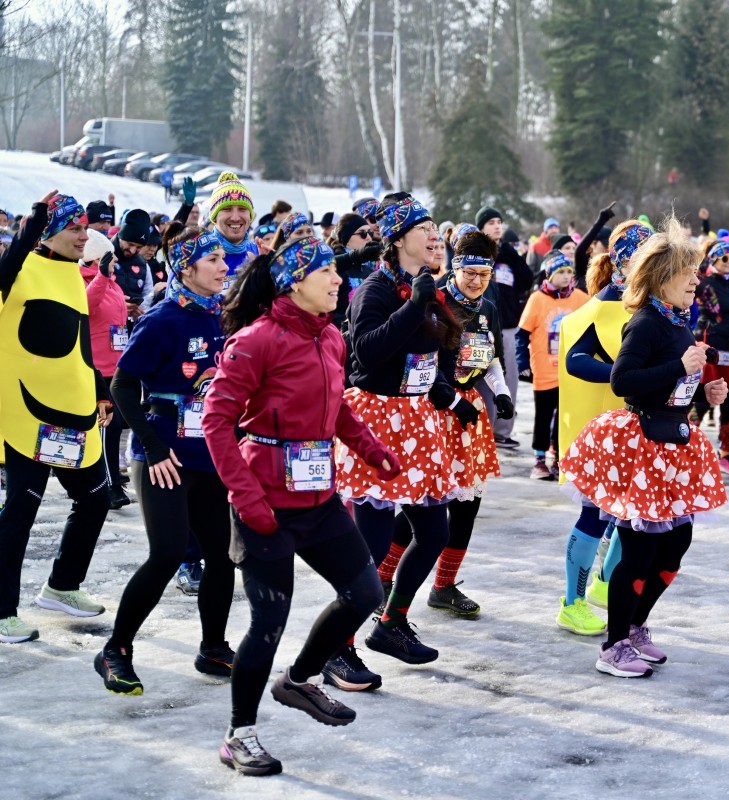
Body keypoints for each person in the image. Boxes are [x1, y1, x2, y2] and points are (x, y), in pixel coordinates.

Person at [202, 235, 399, 775]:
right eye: (326, 272)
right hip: (264, 501)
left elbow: (336, 410)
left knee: (365, 592)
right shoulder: (256, 340)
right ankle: (239, 735)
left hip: (318, 498)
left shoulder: (331, 337)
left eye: (336, 271)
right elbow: (217, 423)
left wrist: (371, 450)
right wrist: (246, 497)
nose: (338, 280)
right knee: (269, 619)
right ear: (295, 280)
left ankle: (299, 680)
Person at [559, 220, 727, 677]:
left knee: (676, 542)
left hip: (672, 440)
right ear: (661, 278)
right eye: (687, 272)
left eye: (696, 271)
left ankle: (635, 625)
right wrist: (679, 364)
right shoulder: (647, 322)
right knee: (638, 550)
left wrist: (702, 394)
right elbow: (623, 380)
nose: (696, 280)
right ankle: (613, 646)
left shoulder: (678, 321)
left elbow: (671, 387)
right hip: (642, 446)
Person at [95, 226, 236, 695]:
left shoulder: (223, 316)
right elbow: (121, 386)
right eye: (212, 260)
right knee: (168, 553)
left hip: (210, 455)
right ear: (187, 268)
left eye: (223, 259)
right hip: (164, 455)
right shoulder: (162, 319)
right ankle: (116, 649)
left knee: (221, 556)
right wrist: (154, 446)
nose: (222, 267)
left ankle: (213, 646)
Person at [339, 194, 465, 669]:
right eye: (423, 227)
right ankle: (340, 644)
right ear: (397, 239)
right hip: (378, 419)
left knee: (434, 532)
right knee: (369, 546)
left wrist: (446, 392)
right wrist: (415, 305)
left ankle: (391, 622)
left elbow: (431, 354)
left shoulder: (427, 284)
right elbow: (365, 355)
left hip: (417, 420)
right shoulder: (374, 289)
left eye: (435, 227)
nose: (434, 235)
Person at [0, 193, 114, 644]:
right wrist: (31, 225)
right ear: (50, 232)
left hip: (76, 415)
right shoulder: (19, 270)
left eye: (86, 229)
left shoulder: (71, 275)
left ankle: (62, 586)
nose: (85, 237)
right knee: (20, 513)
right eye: (75, 229)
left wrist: (101, 391)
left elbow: (81, 346)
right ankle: (2, 609)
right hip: (27, 416)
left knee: (97, 498)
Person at [555, 219, 652, 635]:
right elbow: (575, 360)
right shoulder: (601, 308)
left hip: (635, 428)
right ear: (625, 263)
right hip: (601, 432)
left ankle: (602, 585)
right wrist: (620, 374)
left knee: (627, 515)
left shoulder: (644, 306)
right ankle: (571, 603)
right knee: (594, 516)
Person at [413, 229, 510, 616]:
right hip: (434, 410)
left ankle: (444, 585)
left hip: (469, 414)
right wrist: (451, 399)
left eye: (483, 276)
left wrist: (499, 391)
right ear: (455, 269)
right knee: (422, 506)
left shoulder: (487, 307)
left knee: (467, 506)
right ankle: (385, 580)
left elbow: (490, 358)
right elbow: (420, 364)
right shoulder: (434, 302)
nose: (475, 281)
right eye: (469, 273)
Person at [516, 250, 589, 479]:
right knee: (543, 416)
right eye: (561, 272)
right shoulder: (537, 299)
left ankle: (559, 459)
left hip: (570, 372)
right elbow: (521, 335)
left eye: (569, 272)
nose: (567, 276)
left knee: (564, 417)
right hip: (544, 370)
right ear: (549, 274)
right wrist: (522, 363)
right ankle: (539, 460)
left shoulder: (579, 298)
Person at [79, 231, 132, 510]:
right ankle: (109, 486)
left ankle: (108, 482)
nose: (115, 263)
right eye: (109, 258)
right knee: (107, 429)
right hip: (97, 369)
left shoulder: (112, 283)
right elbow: (86, 306)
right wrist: (100, 275)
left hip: (117, 367)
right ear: (96, 258)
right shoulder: (84, 280)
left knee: (115, 427)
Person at [475, 206, 533, 449]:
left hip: (508, 325)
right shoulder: (476, 252)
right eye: (491, 222)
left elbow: (527, 279)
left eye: (499, 221)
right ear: (481, 228)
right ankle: (483, 430)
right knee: (482, 381)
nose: (497, 226)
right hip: (482, 327)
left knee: (509, 379)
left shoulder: (508, 253)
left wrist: (507, 250)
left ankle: (501, 431)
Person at [693, 239, 729, 476]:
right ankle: (685, 443)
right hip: (710, 345)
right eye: (723, 258)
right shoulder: (704, 283)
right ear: (713, 260)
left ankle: (726, 452)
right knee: (703, 398)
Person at [208, 172, 258, 288]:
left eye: (242, 209)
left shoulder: (258, 254)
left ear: (250, 216)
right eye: (227, 209)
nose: (235, 217)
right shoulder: (197, 255)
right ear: (214, 217)